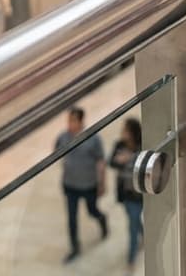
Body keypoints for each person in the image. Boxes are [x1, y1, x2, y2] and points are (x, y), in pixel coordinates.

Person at [55, 106, 108, 263]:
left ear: (81, 121)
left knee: (92, 211)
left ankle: (102, 219)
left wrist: (102, 183)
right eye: (69, 120)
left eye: (73, 120)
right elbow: (56, 153)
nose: (70, 123)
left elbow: (101, 161)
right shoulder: (63, 137)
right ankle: (74, 247)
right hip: (70, 186)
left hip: (88, 185)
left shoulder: (93, 139)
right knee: (72, 218)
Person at [109, 117, 144, 272]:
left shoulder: (141, 147)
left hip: (139, 193)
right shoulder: (119, 145)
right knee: (133, 220)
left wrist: (129, 158)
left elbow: (144, 164)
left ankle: (131, 260)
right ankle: (143, 234)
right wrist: (120, 161)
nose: (122, 132)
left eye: (126, 130)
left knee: (132, 226)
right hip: (126, 193)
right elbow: (111, 162)